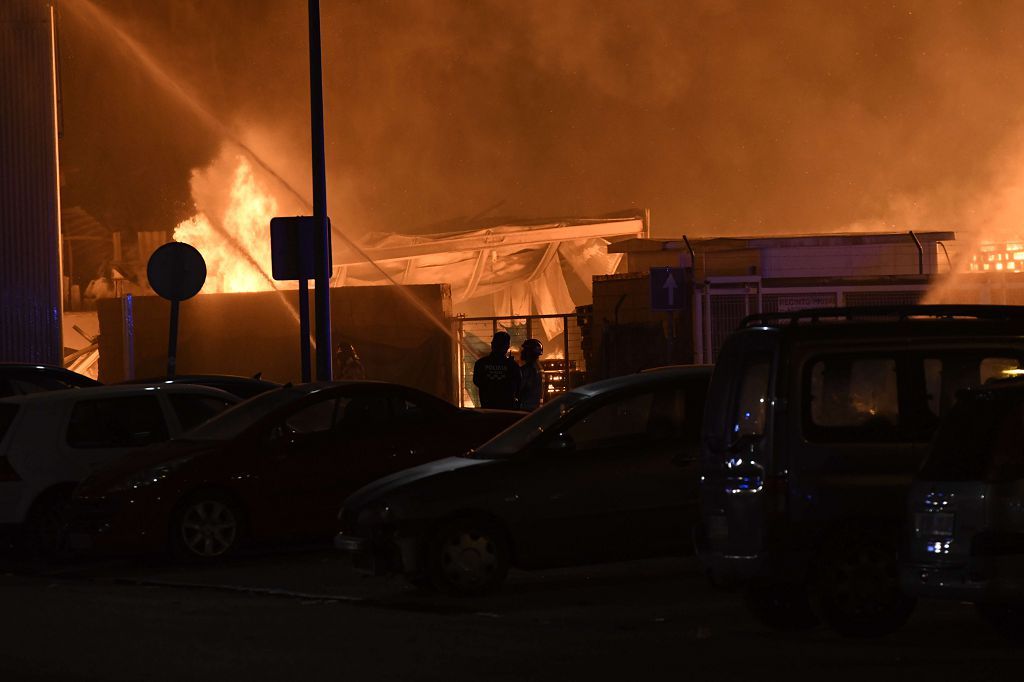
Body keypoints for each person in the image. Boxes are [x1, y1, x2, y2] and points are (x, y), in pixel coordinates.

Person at [472, 331, 521, 409]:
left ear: (492, 344)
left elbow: (476, 381)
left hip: (487, 406)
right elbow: (518, 385)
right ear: (507, 346)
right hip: (507, 409)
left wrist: (490, 386)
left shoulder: (481, 363)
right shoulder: (512, 365)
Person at [518, 338, 544, 410]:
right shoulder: (539, 367)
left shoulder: (528, 369)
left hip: (526, 408)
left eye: (525, 350)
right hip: (535, 407)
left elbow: (520, 387)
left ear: (530, 352)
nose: (522, 352)